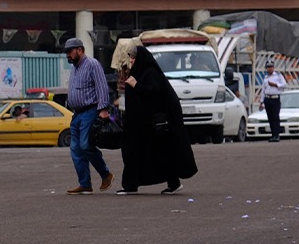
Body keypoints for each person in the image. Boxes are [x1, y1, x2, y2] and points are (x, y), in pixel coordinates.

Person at [116, 46, 198, 195]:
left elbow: (153, 94)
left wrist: (136, 85)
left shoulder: (151, 73)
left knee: (158, 154)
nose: (131, 61)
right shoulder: (138, 73)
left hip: (152, 124)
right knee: (135, 152)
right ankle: (131, 185)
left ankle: (172, 183)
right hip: (140, 124)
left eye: (133, 58)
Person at [63, 37, 115, 195]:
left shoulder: (92, 64)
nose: (67, 55)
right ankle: (85, 184)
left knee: (86, 145)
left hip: (90, 111)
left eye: (70, 52)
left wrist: (104, 109)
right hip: (77, 114)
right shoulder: (74, 68)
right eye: (66, 52)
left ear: (80, 50)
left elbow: (102, 87)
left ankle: (106, 174)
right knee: (76, 150)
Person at [259, 60, 287, 142]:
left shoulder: (278, 76)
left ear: (273, 67)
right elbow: (263, 90)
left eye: (271, 67)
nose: (270, 68)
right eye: (268, 67)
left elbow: (284, 85)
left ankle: (277, 135)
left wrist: (275, 85)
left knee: (275, 117)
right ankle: (273, 135)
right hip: (268, 99)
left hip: (275, 99)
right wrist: (261, 101)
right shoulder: (265, 78)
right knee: (270, 118)